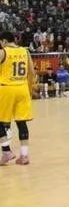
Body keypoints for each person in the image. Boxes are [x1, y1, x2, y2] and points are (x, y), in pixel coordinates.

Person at [0, 31, 36, 165]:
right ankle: (24, 156)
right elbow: (32, 72)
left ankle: (6, 152)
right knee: (21, 122)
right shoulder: (25, 51)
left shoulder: (3, 52)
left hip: (7, 88)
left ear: (4, 41)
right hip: (22, 88)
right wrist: (29, 89)